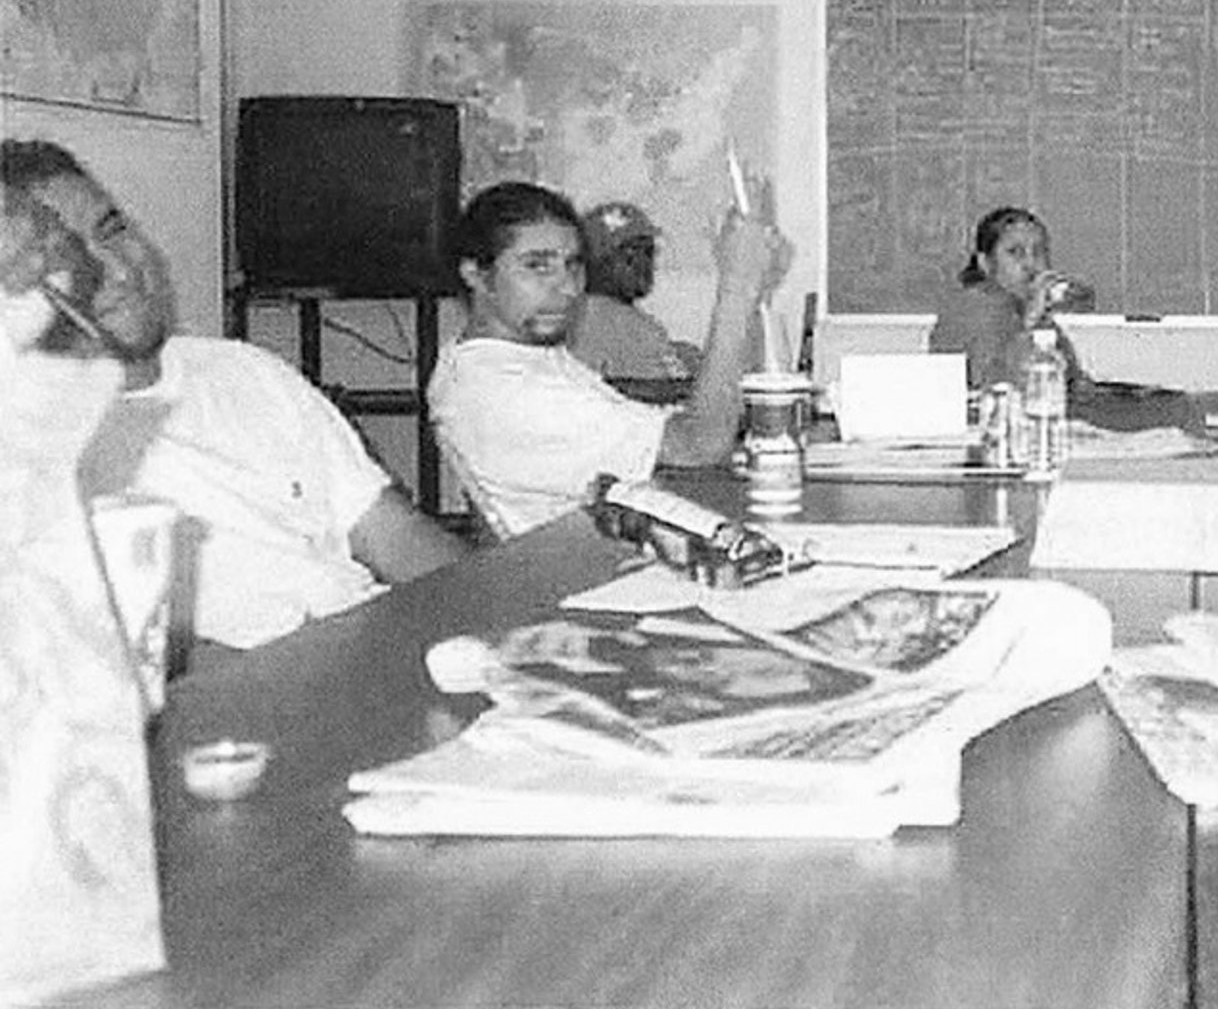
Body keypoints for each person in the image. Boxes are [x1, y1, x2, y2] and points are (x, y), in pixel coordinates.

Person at [1, 139, 466, 649]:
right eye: (61, 262)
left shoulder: (245, 369)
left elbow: (393, 535)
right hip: (255, 702)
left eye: (112, 230)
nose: (117, 270)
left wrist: (507, 611)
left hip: (377, 651)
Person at [428, 179, 788, 539]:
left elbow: (662, 430)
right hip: (588, 576)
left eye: (572, 265)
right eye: (537, 266)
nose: (568, 288)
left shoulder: (520, 358)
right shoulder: (502, 390)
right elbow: (700, 444)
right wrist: (738, 285)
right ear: (475, 273)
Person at [928, 207, 1089, 391]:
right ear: (985, 263)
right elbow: (994, 387)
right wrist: (1030, 322)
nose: (1031, 264)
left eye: (1039, 252)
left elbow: (1070, 380)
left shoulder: (1025, 306)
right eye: (1015, 252)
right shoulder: (972, 307)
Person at [568, 199, 698, 384]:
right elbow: (612, 390)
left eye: (649, 252)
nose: (644, 264)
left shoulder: (626, 318)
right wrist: (697, 384)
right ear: (596, 261)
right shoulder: (592, 321)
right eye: (630, 255)